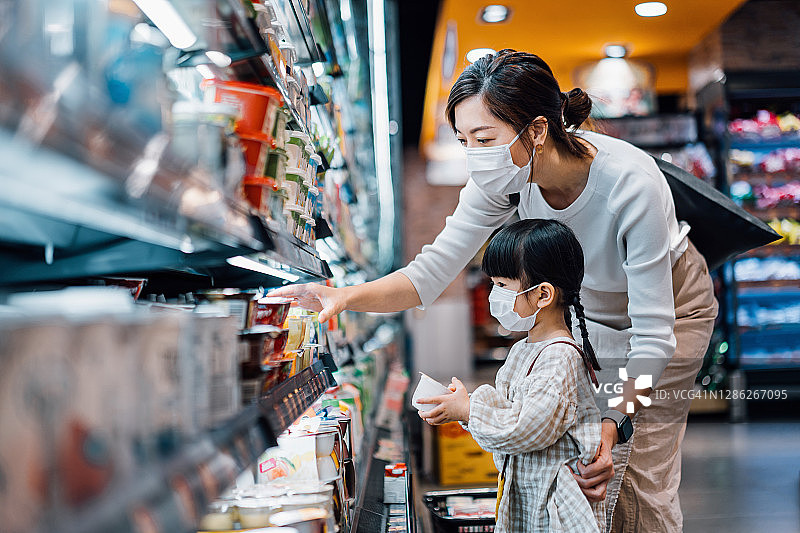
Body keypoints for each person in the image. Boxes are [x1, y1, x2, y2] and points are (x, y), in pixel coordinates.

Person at [272, 49, 718, 532]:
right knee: (577, 465)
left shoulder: (630, 184)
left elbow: (653, 336)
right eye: (464, 140)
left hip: (669, 311)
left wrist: (615, 424)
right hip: (585, 307)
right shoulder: (503, 177)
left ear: (538, 130)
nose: (474, 155)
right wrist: (343, 297)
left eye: (484, 139)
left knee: (633, 469)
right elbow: (430, 272)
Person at [416, 219, 606, 532]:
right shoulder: (523, 349)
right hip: (529, 500)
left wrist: (469, 410)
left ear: (543, 295)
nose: (494, 295)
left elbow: (523, 428)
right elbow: (508, 412)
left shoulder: (560, 358)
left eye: (503, 286)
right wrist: (463, 406)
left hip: (554, 512)